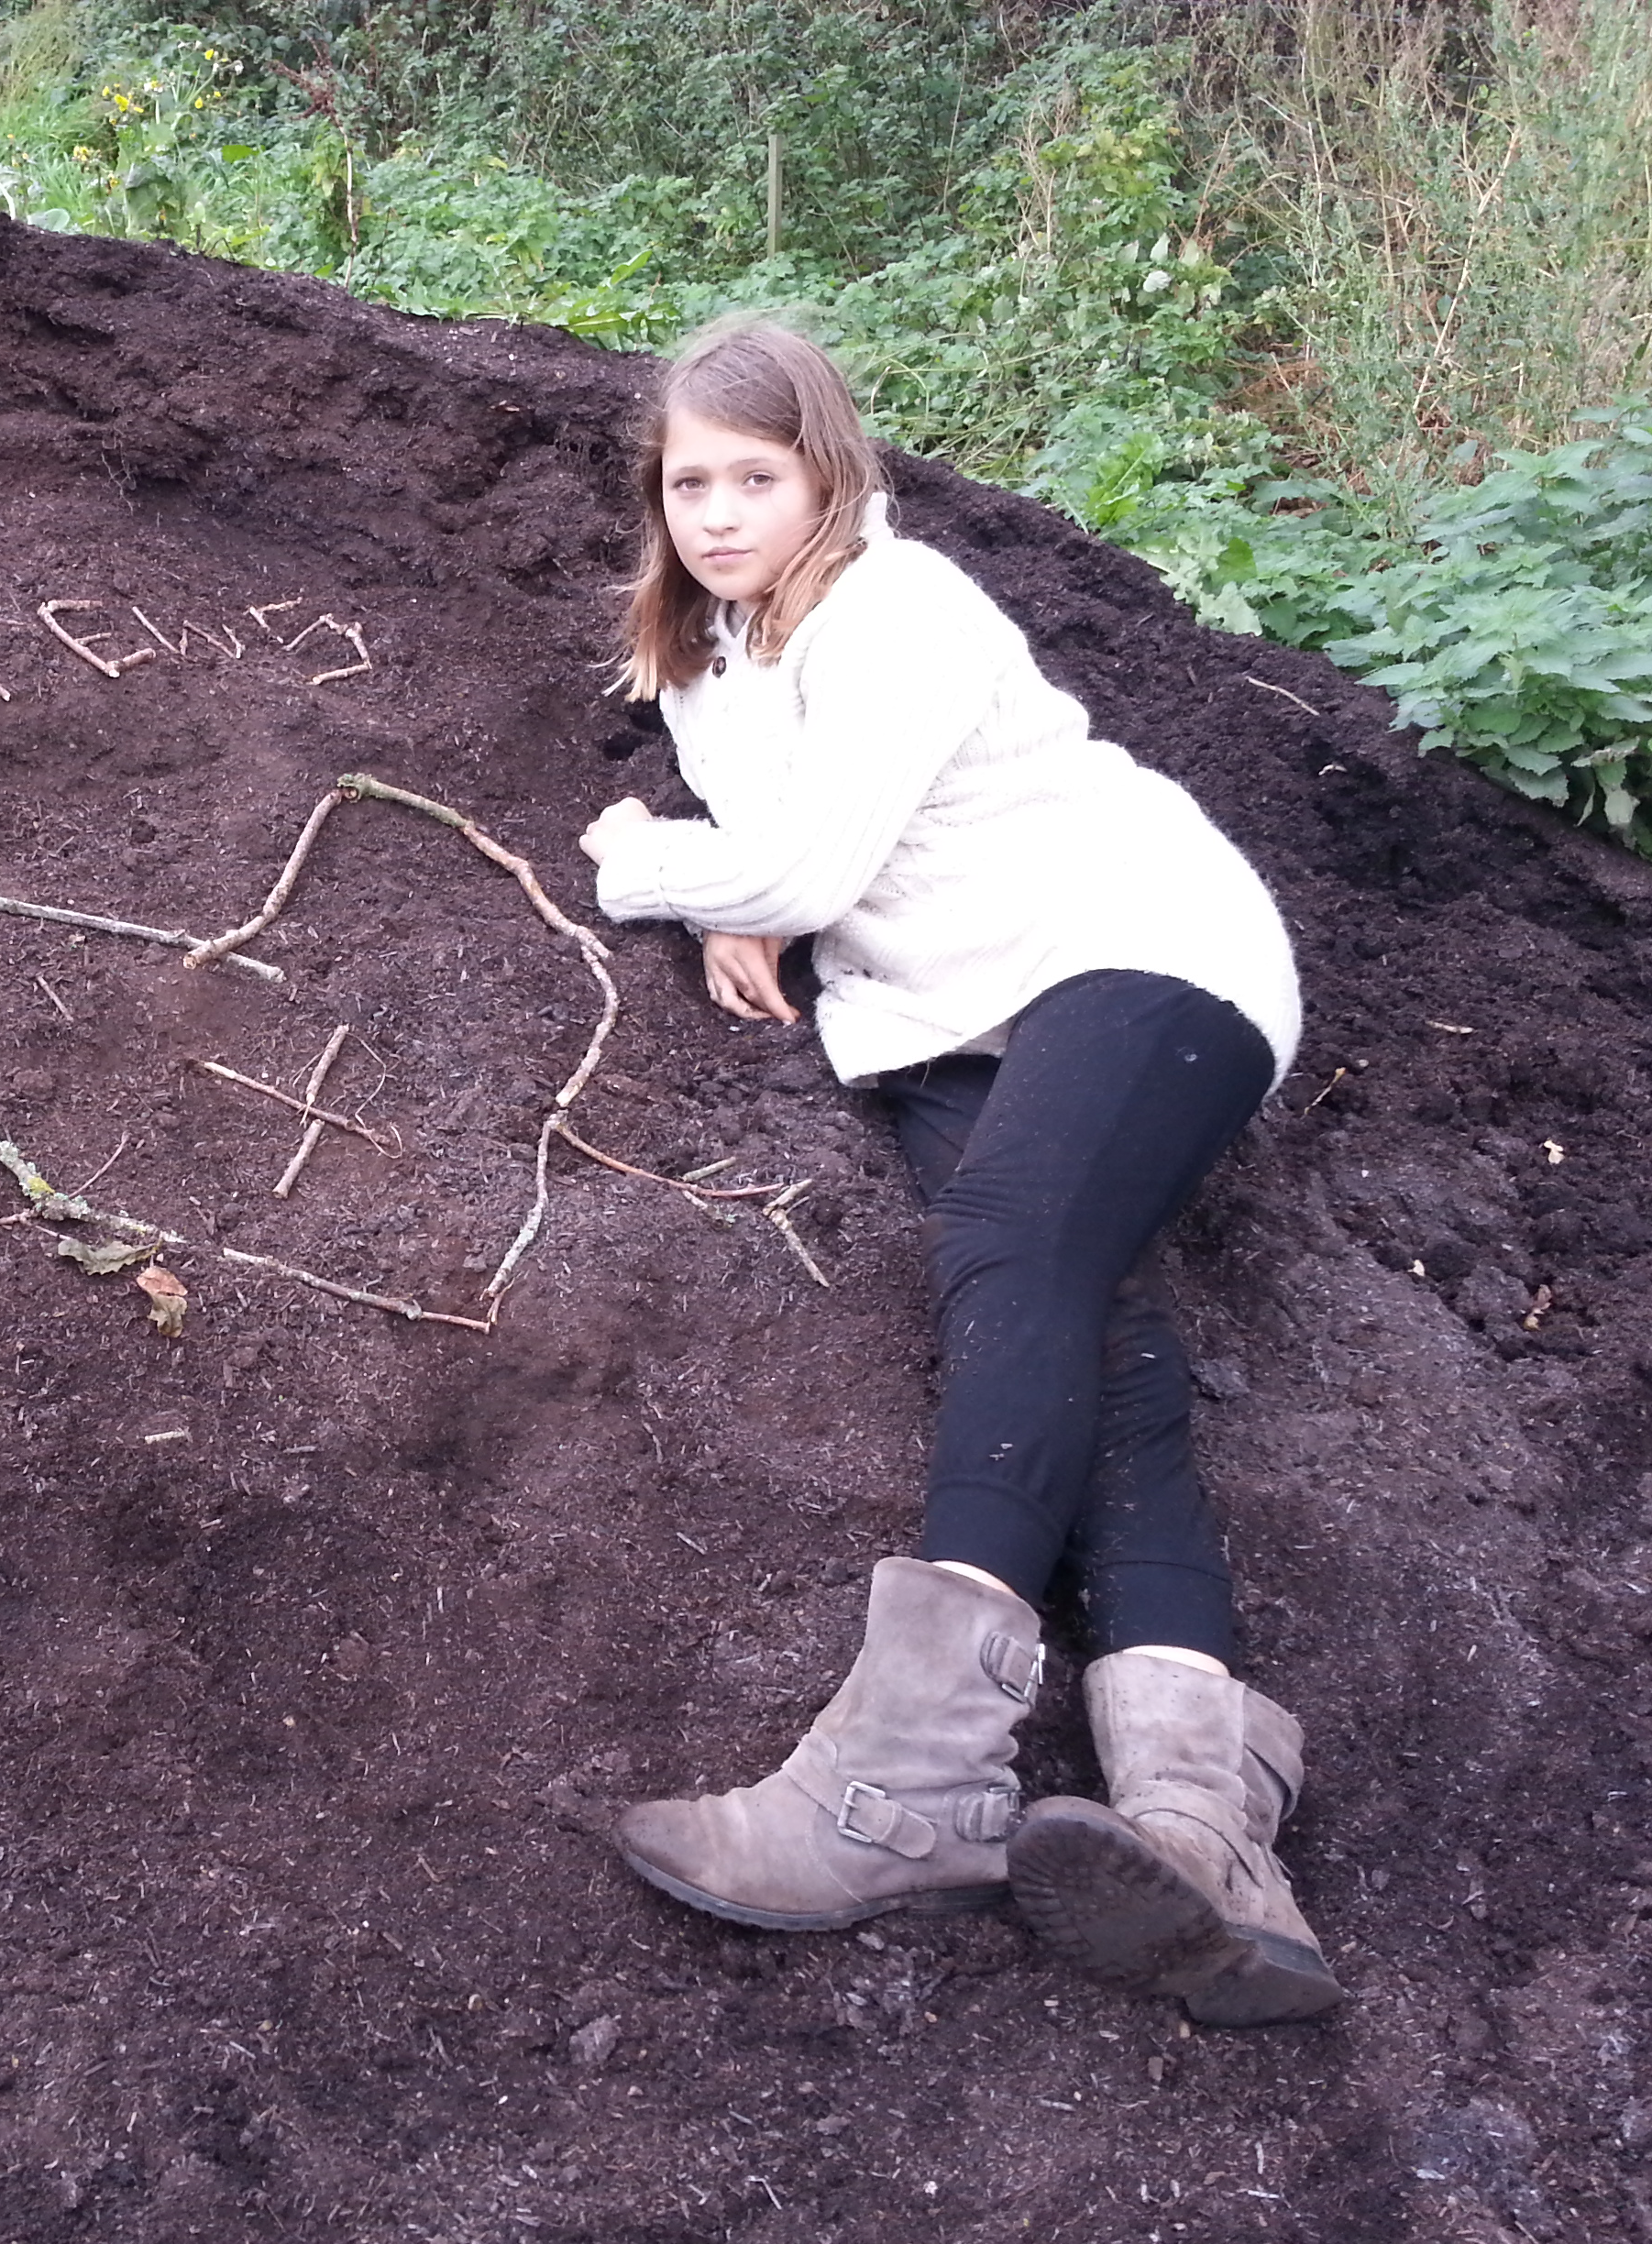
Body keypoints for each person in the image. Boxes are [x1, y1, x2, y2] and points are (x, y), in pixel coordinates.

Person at [574, 317, 1341, 2029]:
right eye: (688, 483)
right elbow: (785, 857)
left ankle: (900, 1789)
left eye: (755, 477)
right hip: (936, 1015)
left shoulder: (901, 608)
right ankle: (1208, 1821)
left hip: (1138, 948)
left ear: (827, 476)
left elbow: (794, 864)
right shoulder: (705, 662)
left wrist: (652, 864)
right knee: (1103, 1347)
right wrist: (747, 895)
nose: (717, 513)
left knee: (1010, 1238)